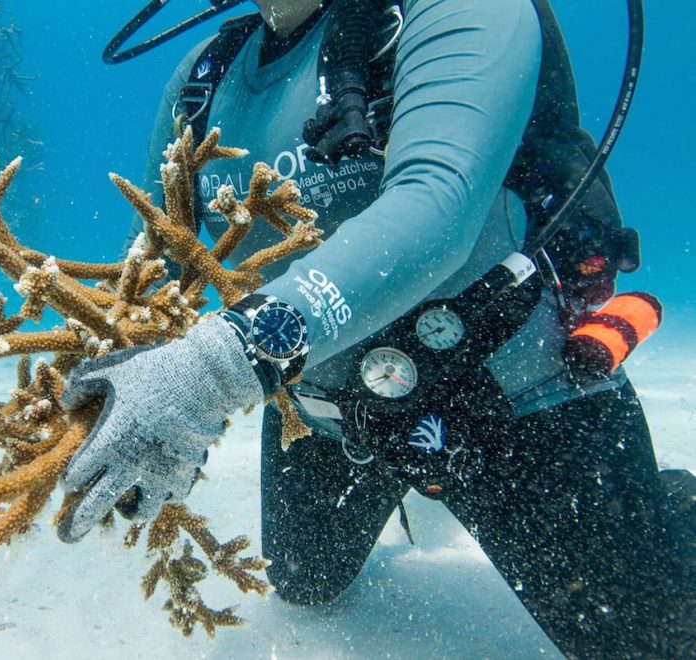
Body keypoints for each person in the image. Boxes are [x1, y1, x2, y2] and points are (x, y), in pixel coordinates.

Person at [58, 0, 696, 656]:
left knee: (649, 644)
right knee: (303, 585)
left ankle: (671, 503)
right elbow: (161, 257)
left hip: (512, 403)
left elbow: (435, 213)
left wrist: (216, 368)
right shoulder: (203, 79)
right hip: (327, 411)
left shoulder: (453, 9)